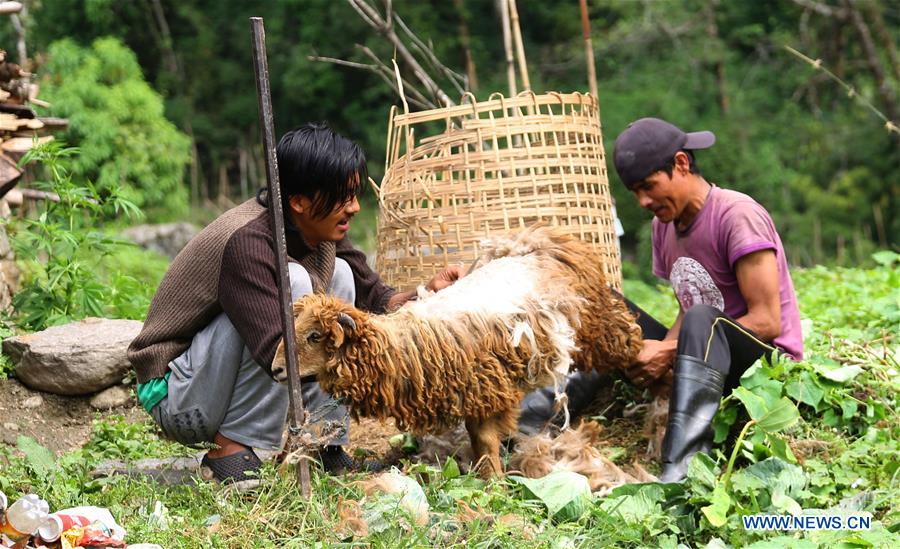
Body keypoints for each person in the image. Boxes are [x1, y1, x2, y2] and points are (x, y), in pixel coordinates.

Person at [127, 122, 463, 485]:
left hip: (217, 377)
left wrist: (427, 294)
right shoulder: (248, 243)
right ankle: (231, 450)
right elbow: (280, 353)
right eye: (342, 196)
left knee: (340, 279)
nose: (353, 207)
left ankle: (323, 445)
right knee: (298, 287)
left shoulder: (319, 231)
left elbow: (378, 300)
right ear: (299, 201)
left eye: (354, 194)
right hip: (177, 396)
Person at [519, 117, 803, 483]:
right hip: (704, 357)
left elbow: (767, 321)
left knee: (704, 318)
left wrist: (669, 352)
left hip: (766, 368)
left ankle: (682, 470)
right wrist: (654, 351)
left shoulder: (737, 215)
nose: (643, 201)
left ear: (681, 164)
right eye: (634, 191)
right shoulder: (663, 227)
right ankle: (525, 425)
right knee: (604, 309)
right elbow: (690, 306)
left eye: (649, 186)